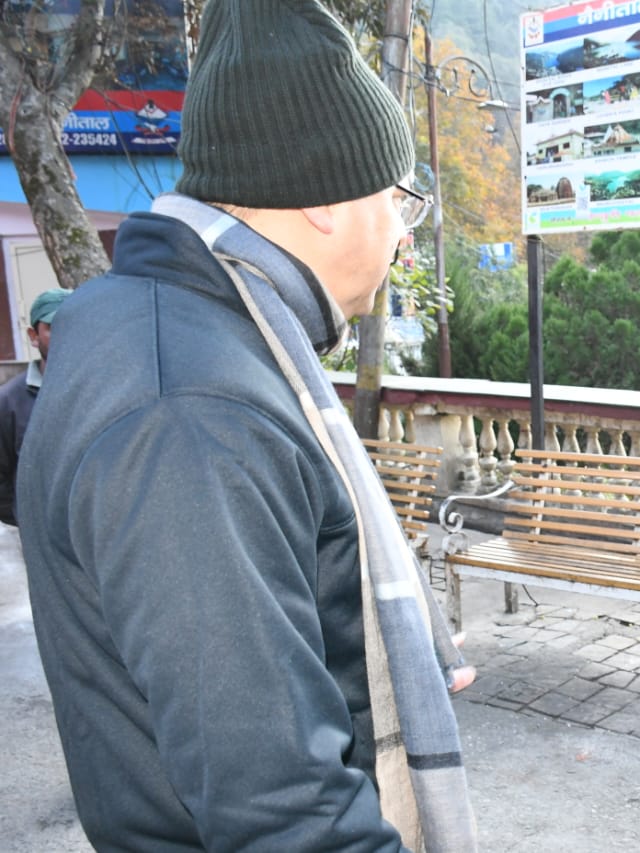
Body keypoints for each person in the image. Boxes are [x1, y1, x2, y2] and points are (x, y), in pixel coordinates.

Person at [17, 1, 477, 851]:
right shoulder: (194, 410)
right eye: (398, 201)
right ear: (328, 200)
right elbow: (279, 808)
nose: (403, 240)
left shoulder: (149, 322)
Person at [0, 287, 70, 527]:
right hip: (44, 541)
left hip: (101, 539)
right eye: (53, 327)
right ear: (34, 335)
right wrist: (29, 520)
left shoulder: (107, 391)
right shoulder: (9, 401)